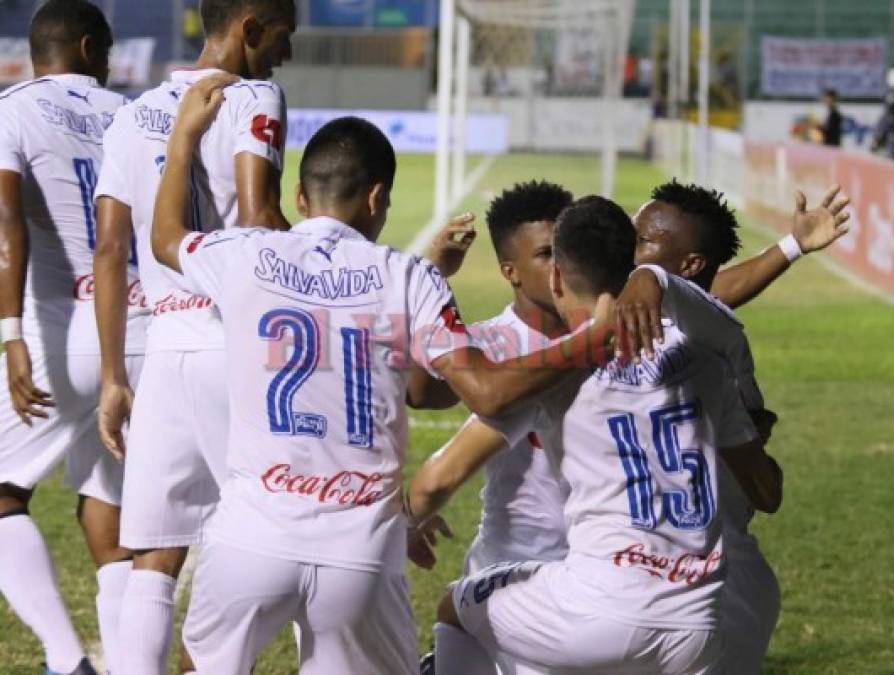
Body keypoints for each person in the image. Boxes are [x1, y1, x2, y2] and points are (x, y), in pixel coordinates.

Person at [149, 77, 617, 674]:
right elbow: (482, 391)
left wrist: (185, 136)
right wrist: (588, 340)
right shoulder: (407, 278)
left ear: (299, 197)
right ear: (377, 200)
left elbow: (166, 238)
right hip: (359, 545)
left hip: (252, 534)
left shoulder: (245, 253)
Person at [418, 179, 851, 674]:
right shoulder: (710, 358)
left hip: (613, 594)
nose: (637, 258)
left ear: (560, 273)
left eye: (646, 248)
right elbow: (766, 487)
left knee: (458, 606)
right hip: (691, 608)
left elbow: (449, 457)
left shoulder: (551, 370)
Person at [92, 1, 295, 672]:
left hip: (165, 352)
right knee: (290, 528)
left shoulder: (132, 113)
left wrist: (117, 375)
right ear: (251, 28)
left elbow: (110, 249)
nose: (284, 55)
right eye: (282, 38)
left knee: (155, 552)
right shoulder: (254, 95)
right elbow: (260, 213)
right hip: (234, 341)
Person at [0, 2, 141, 673]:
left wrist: (10, 334)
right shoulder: (134, 115)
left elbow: (6, 217)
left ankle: (66, 659)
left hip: (66, 331)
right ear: (89, 47)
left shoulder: (14, 107)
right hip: (145, 328)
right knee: (109, 511)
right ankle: (122, 659)